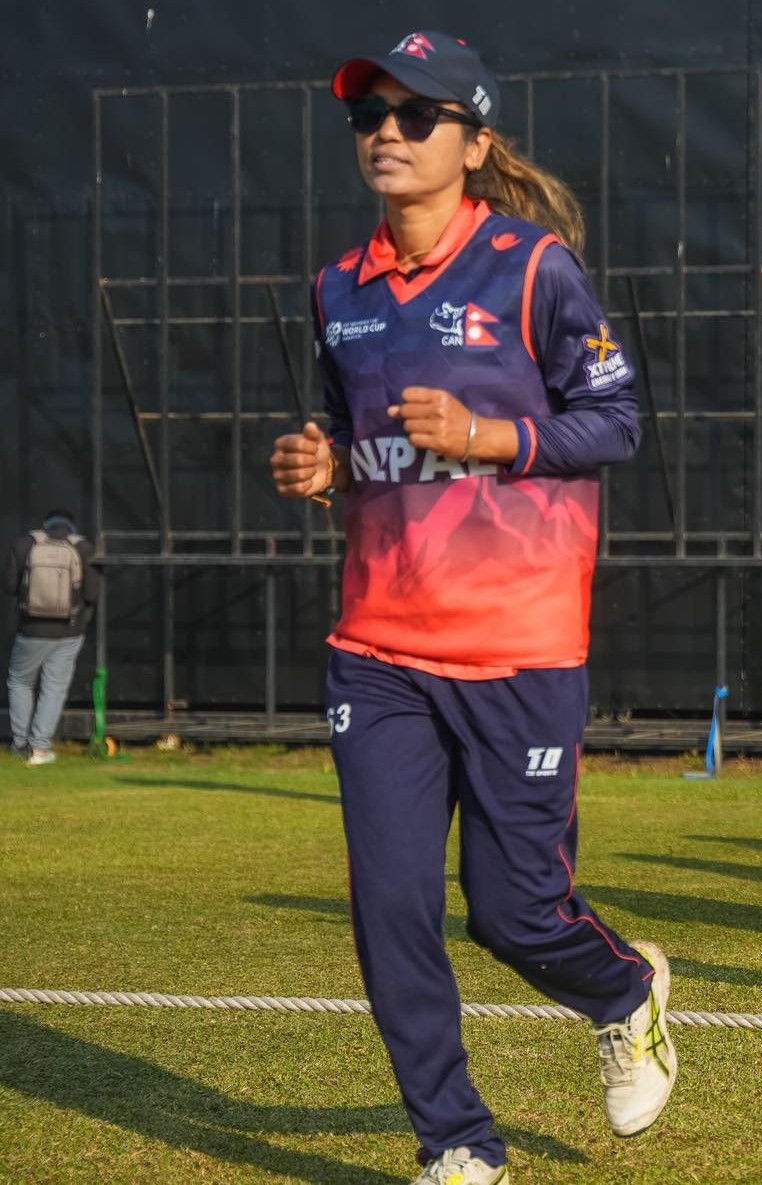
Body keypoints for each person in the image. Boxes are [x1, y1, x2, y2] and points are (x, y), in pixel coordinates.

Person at [268, 33, 665, 1184]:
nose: (385, 135)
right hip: (378, 650)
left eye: (415, 116)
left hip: (520, 647)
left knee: (514, 913)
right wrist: (323, 468)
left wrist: (491, 435)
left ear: (475, 143)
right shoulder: (336, 289)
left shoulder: (533, 270)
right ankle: (456, 1140)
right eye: (369, 118)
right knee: (391, 910)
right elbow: (358, 446)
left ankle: (626, 993)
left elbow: (617, 424)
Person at [5, 510, 101, 765]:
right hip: (69, 630)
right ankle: (39, 749)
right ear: (72, 526)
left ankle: (20, 744)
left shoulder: (25, 544)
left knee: (20, 682)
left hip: (30, 629)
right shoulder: (83, 548)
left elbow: (9, 586)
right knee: (54, 688)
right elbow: (92, 594)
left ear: (44, 524)